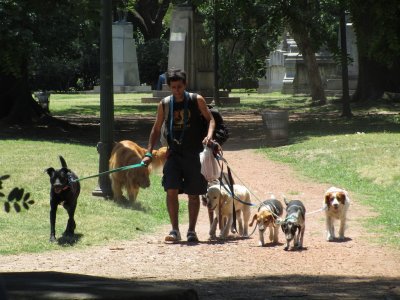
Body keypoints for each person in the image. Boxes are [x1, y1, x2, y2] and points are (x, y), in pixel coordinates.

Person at [142, 68, 215, 242]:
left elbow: (211, 119)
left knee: (193, 193)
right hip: (173, 153)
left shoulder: (197, 100)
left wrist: (209, 136)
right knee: (171, 189)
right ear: (169, 87)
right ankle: (175, 230)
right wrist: (148, 153)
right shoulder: (165, 104)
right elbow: (156, 128)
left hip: (194, 153)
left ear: (185, 85)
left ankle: (191, 231)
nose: (177, 90)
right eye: (173, 87)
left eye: (180, 87)